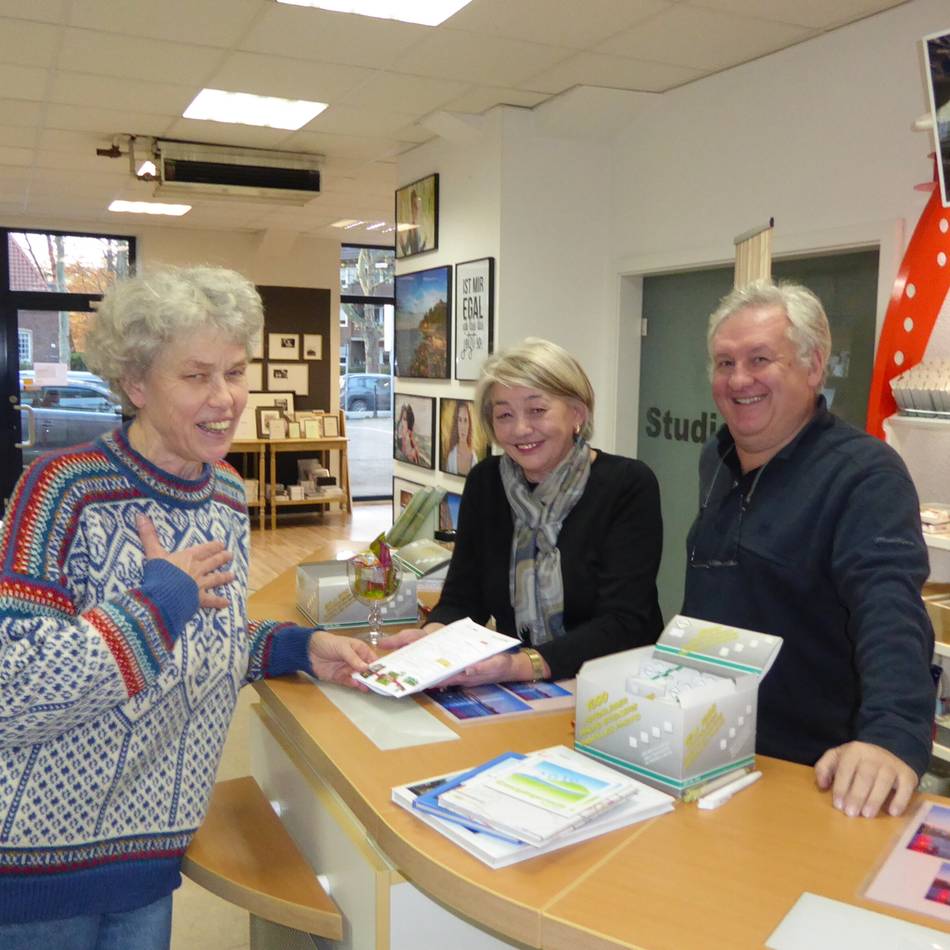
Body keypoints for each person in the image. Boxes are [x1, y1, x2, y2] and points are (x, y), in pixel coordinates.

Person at [0, 266, 374, 947]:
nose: (225, 398)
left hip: (152, 857)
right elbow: (15, 689)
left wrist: (296, 647)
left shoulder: (225, 494)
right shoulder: (61, 491)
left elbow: (206, 637)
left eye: (235, 371)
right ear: (137, 384)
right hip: (40, 872)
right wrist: (157, 602)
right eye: (196, 376)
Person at [683, 279, 935, 820]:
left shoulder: (865, 475)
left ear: (814, 366)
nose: (738, 379)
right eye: (724, 363)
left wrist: (890, 736)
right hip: (707, 754)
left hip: (808, 774)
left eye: (759, 359)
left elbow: (889, 609)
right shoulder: (716, 459)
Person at [385, 337, 664, 684]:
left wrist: (521, 665)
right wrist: (432, 636)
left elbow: (625, 622)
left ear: (577, 413)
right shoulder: (486, 482)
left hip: (614, 686)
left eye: (537, 410)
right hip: (516, 683)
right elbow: (463, 598)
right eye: (505, 415)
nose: (520, 429)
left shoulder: (627, 484)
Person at [444, 401, 476, 476]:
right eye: (460, 420)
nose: (462, 427)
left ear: (470, 424)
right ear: (456, 424)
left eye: (465, 420)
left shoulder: (474, 458)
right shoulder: (451, 456)